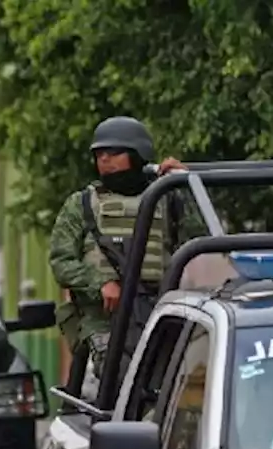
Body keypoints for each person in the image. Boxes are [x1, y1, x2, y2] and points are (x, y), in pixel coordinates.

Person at [49, 116, 207, 386]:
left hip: (159, 313)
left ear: (138, 155)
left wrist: (185, 185)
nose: (105, 160)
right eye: (99, 154)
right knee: (120, 378)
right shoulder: (82, 204)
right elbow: (61, 261)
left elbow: (201, 242)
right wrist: (100, 283)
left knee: (177, 382)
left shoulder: (166, 197)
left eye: (114, 153)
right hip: (104, 319)